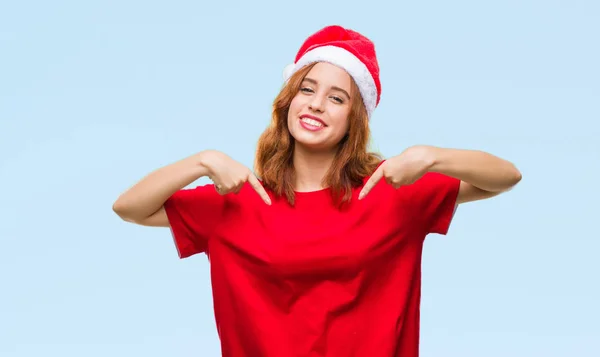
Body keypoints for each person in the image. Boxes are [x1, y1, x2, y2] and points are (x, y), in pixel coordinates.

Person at [113, 25, 522, 357]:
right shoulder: (240, 200)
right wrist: (201, 161)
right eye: (306, 90)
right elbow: (129, 207)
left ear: (354, 118)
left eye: (337, 97)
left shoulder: (391, 191)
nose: (316, 105)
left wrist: (431, 156)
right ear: (288, 100)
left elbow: (504, 177)